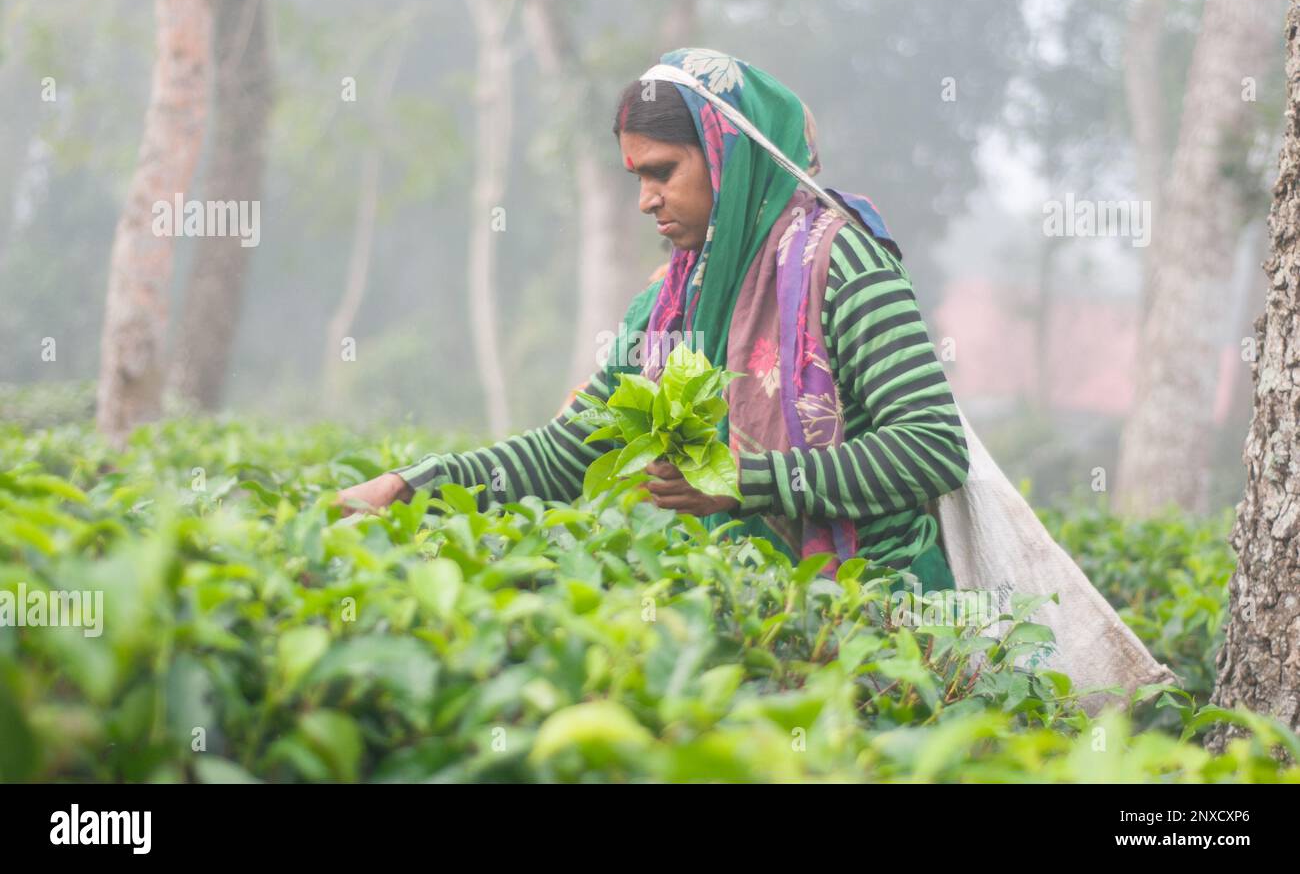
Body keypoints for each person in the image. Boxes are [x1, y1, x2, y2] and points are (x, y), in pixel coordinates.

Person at [336, 47, 970, 589]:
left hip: (882, 610)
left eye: (664, 172)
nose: (646, 201)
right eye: (638, 178)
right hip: (753, 608)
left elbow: (934, 446)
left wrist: (746, 483)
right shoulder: (668, 306)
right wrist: (409, 486)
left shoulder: (842, 265)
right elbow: (571, 450)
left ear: (728, 156)